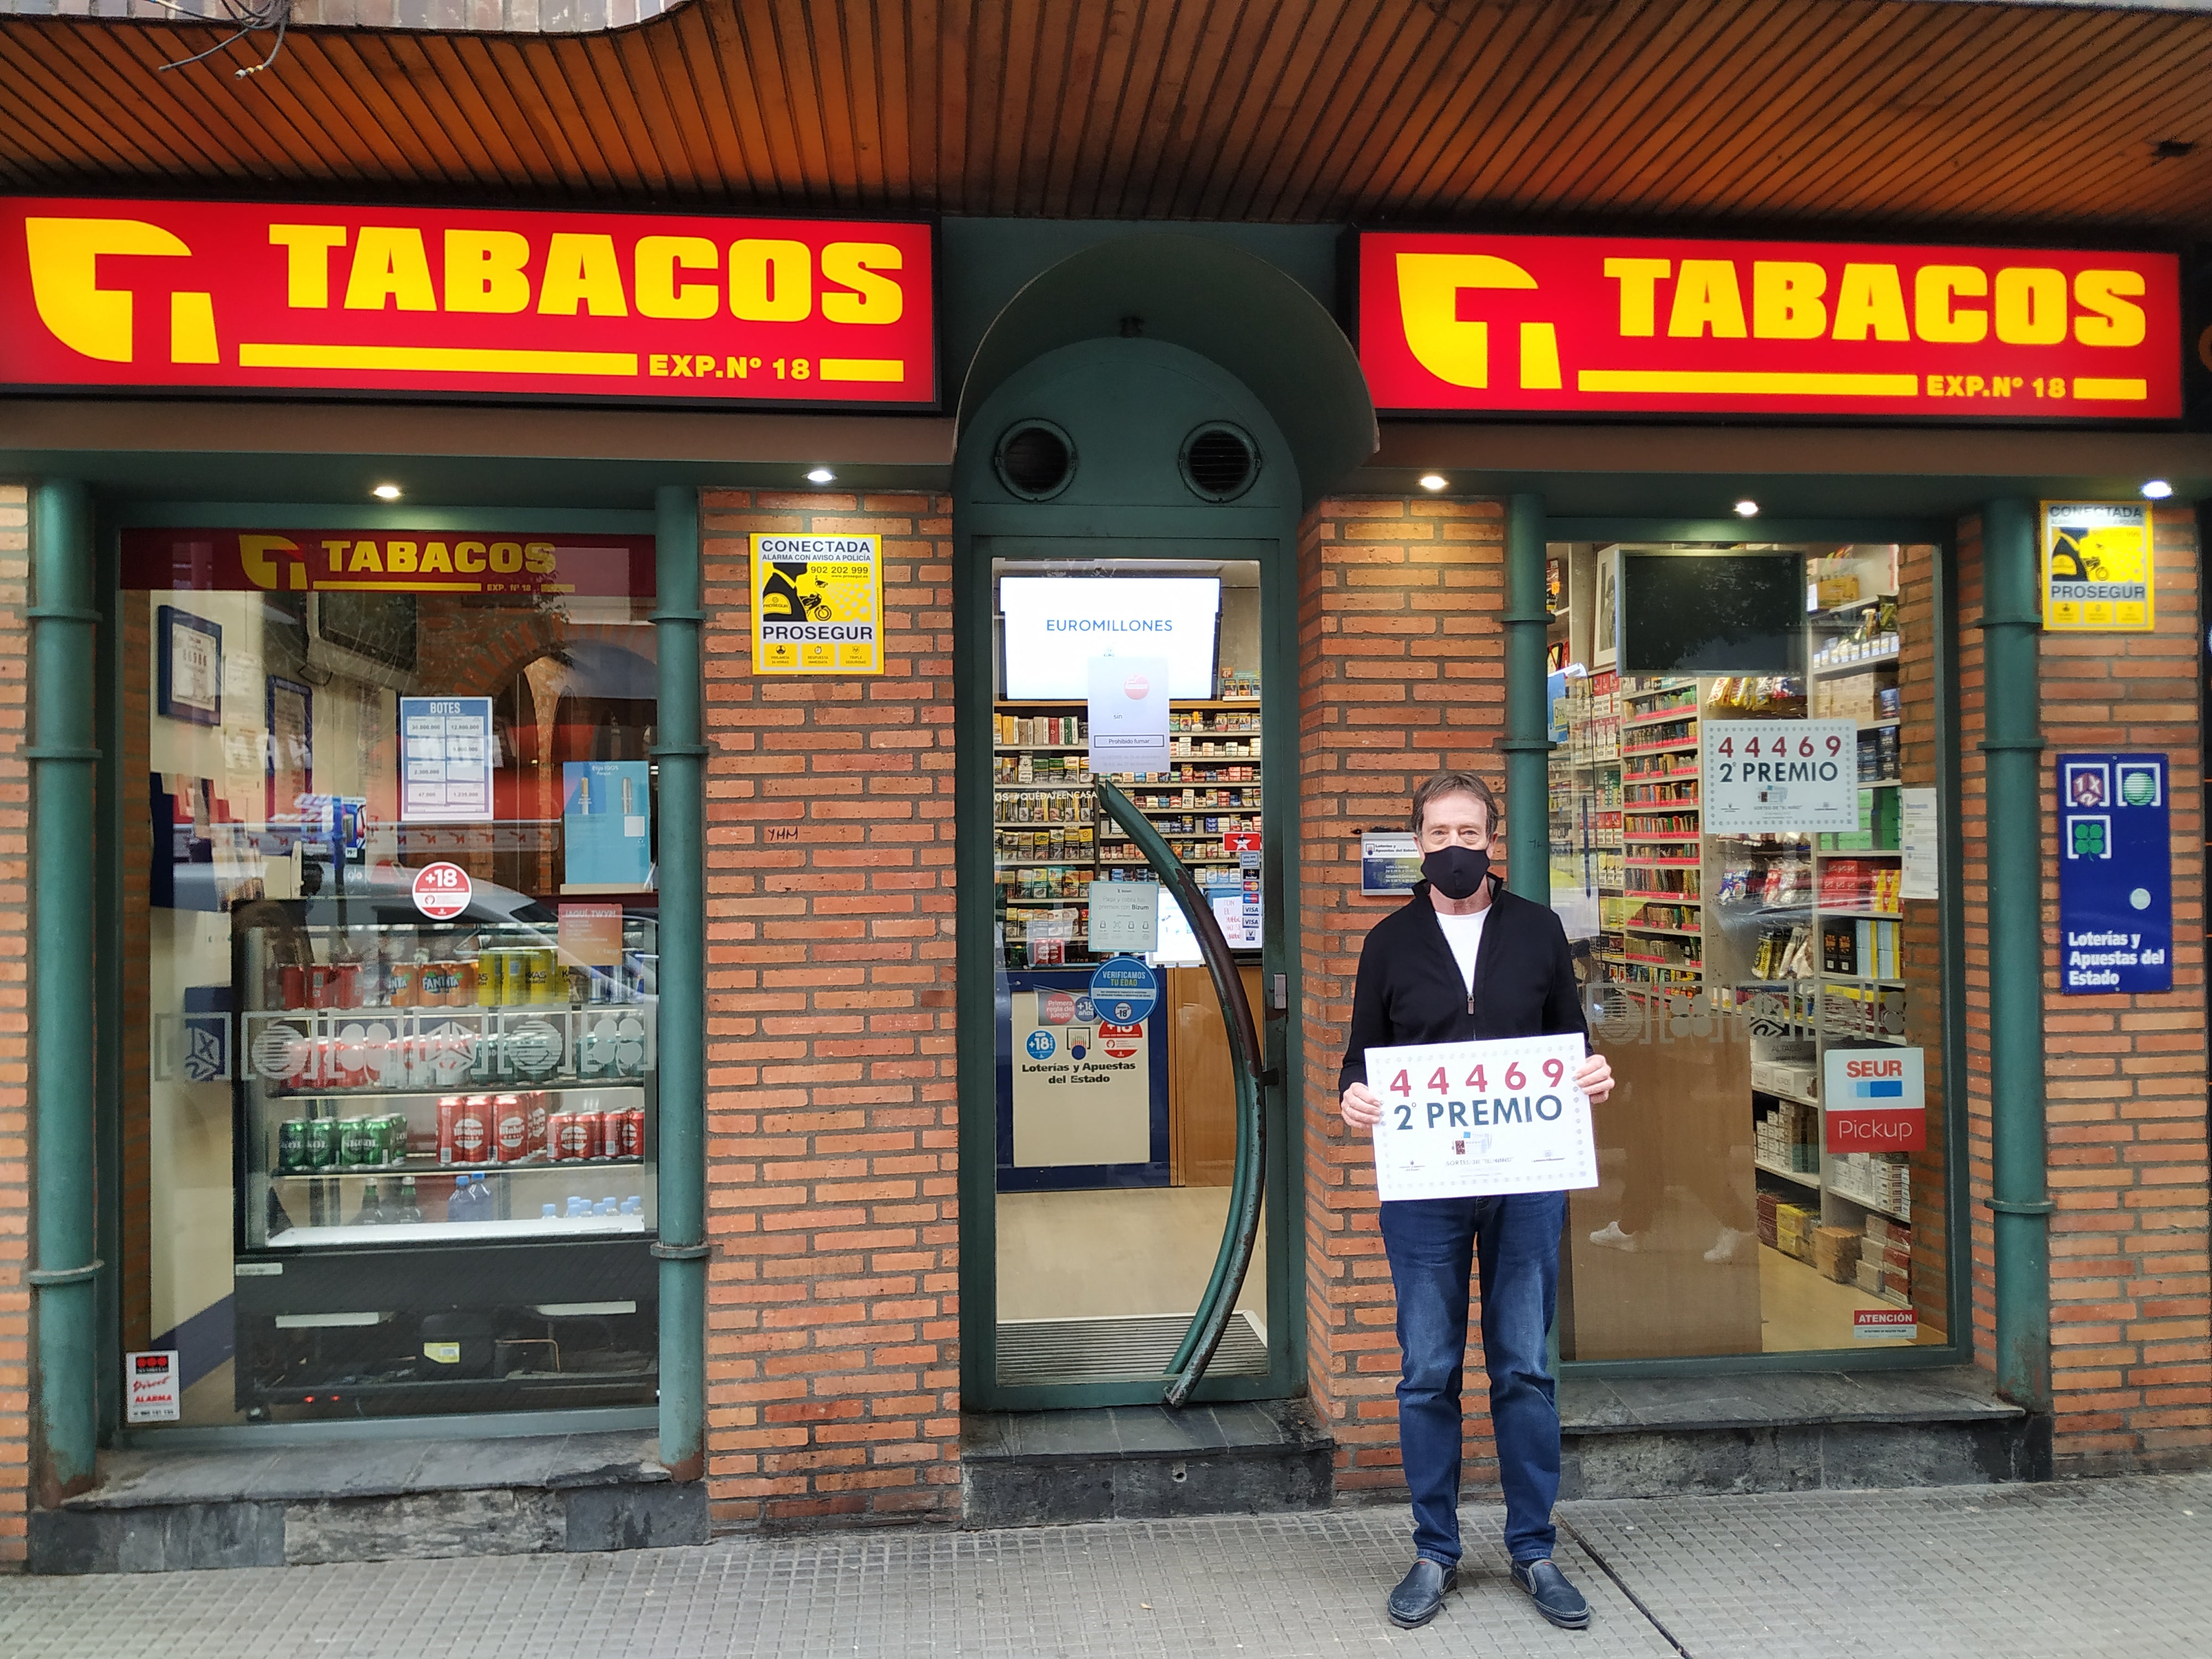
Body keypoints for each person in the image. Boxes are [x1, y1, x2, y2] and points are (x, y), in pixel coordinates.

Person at [1339, 770, 1615, 1633]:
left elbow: (1573, 1042)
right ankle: (1434, 1549)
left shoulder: (1538, 931)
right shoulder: (1388, 942)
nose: (1454, 847)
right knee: (1427, 1370)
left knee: (1525, 1367)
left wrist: (1593, 1074)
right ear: (1415, 842)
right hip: (1425, 1192)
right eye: (1437, 833)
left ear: (1493, 838)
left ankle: (1534, 1548)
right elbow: (1361, 1059)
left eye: (1469, 831)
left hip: (1525, 1181)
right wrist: (1352, 1098)